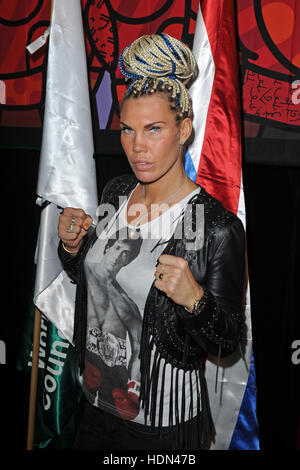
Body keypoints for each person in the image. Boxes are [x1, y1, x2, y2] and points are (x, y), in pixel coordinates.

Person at [57, 33, 245, 450]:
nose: (137, 147)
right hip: (94, 403)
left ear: (184, 129)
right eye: (127, 130)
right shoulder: (116, 192)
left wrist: (194, 300)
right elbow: (93, 280)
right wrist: (72, 250)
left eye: (153, 129)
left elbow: (227, 341)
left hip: (163, 427)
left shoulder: (214, 226)